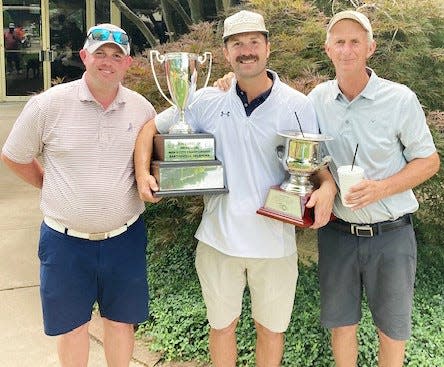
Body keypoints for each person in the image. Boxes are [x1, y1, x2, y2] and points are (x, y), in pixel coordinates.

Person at [135, 10, 336, 367]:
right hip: (218, 241)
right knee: (221, 328)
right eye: (237, 44)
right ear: (226, 53)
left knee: (271, 332)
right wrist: (142, 174)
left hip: (274, 245)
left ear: (268, 48)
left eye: (253, 42)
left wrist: (329, 189)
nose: (246, 51)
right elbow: (149, 128)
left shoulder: (298, 105)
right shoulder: (202, 100)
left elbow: (313, 166)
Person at [1, 23, 156, 366]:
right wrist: (48, 184)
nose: (108, 62)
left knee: (121, 323)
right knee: (72, 328)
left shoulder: (142, 109)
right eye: (100, 53)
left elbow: (152, 159)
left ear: (127, 63)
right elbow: (14, 156)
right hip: (65, 243)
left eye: (117, 56)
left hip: (124, 238)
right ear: (84, 56)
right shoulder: (48, 105)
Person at [307, 10, 440, 367]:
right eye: (339, 42)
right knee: (341, 324)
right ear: (327, 49)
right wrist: (328, 184)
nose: (347, 49)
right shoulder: (316, 100)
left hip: (391, 235)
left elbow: (429, 161)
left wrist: (381, 188)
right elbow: (309, 157)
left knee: (392, 328)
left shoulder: (400, 99)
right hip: (337, 234)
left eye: (355, 41)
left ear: (371, 47)